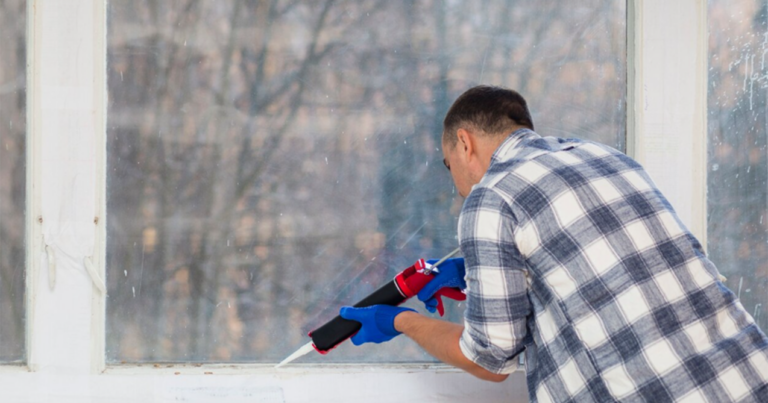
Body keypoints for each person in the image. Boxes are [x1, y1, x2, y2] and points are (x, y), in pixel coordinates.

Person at [340, 85, 768, 402]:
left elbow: (489, 359)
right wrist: (478, 274)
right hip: (748, 378)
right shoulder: (606, 158)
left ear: (465, 142)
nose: (457, 187)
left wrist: (399, 322)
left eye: (449, 164)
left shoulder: (492, 197)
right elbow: (602, 271)